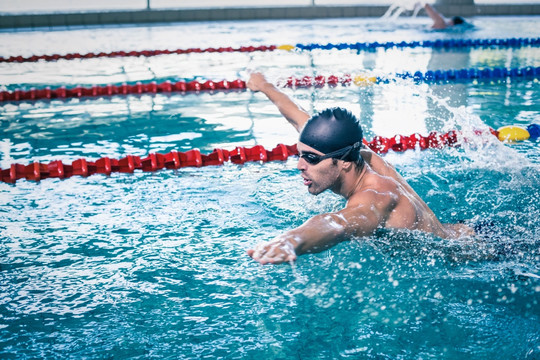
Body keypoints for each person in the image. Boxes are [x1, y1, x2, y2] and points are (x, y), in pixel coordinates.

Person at [246, 72, 474, 265]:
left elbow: (339, 224)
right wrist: (264, 85)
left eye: (310, 158)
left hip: (470, 253)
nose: (299, 165)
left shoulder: (378, 195)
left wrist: (292, 239)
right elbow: (299, 119)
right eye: (300, 154)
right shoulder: (353, 152)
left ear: (344, 161)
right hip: (460, 231)